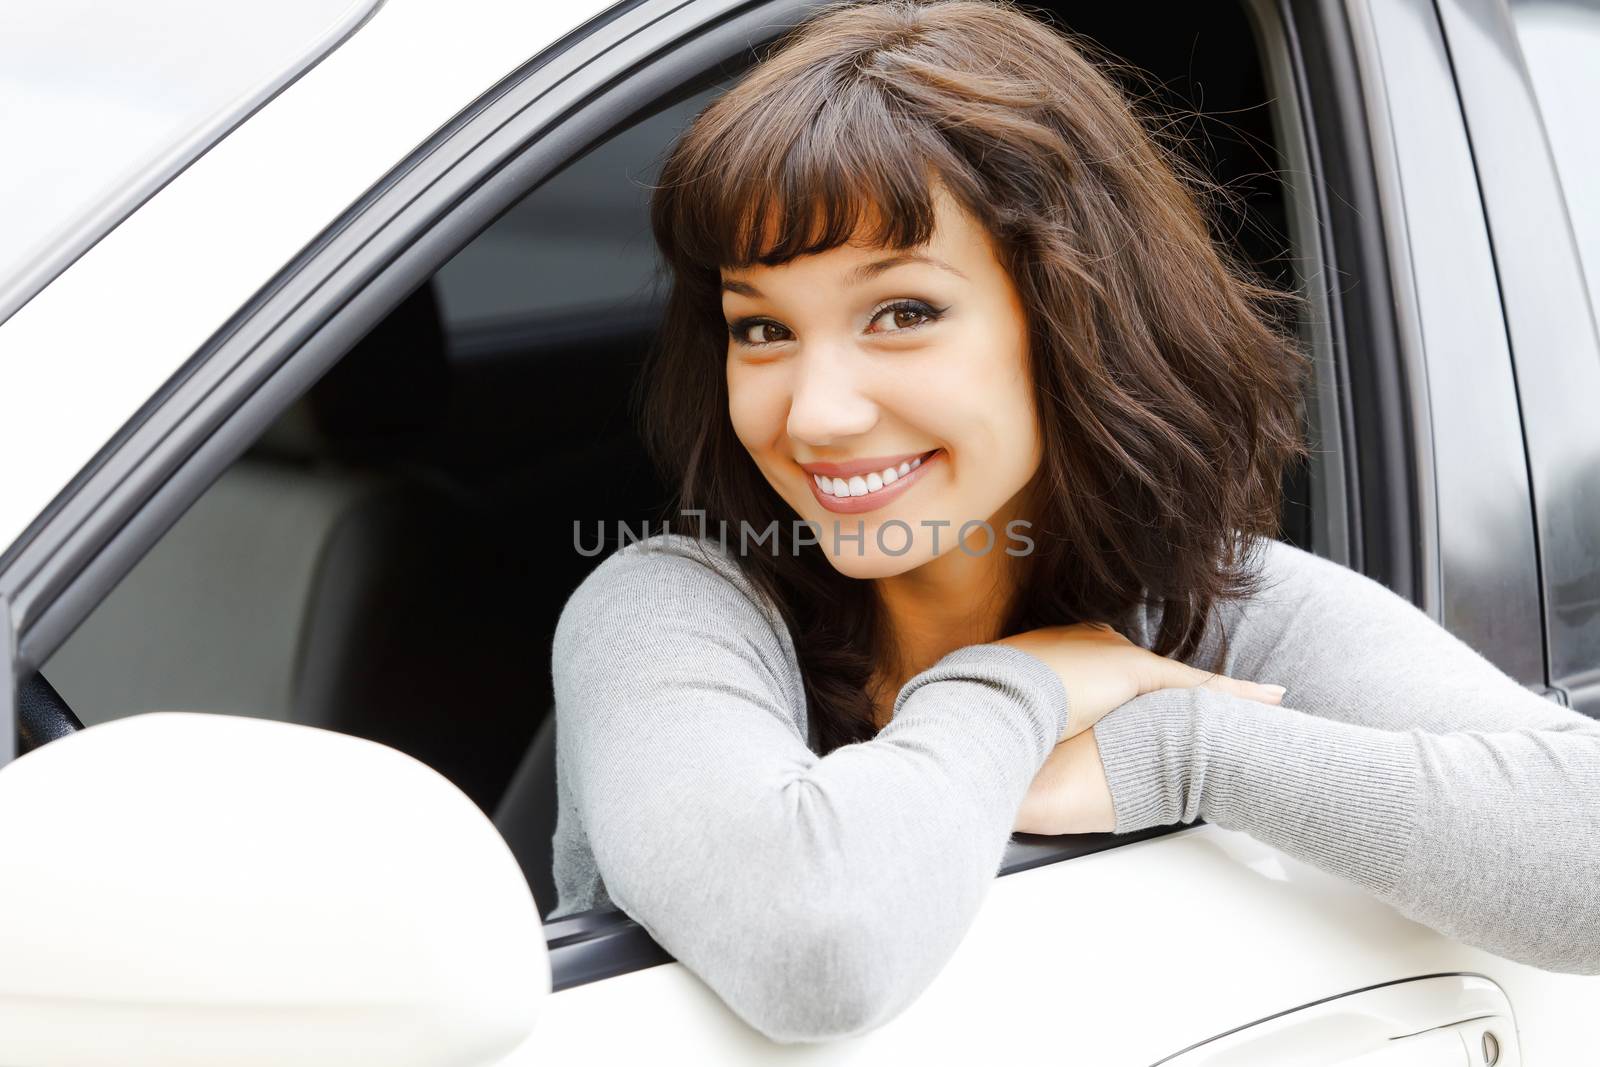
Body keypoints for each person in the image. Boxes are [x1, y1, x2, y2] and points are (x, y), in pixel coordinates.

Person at [544, 0, 1600, 1043]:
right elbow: (814, 944)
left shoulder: (1209, 612)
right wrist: (1024, 685)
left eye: (902, 312)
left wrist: (1185, 749)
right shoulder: (669, 607)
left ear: (1068, 320)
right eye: (762, 327)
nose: (816, 412)